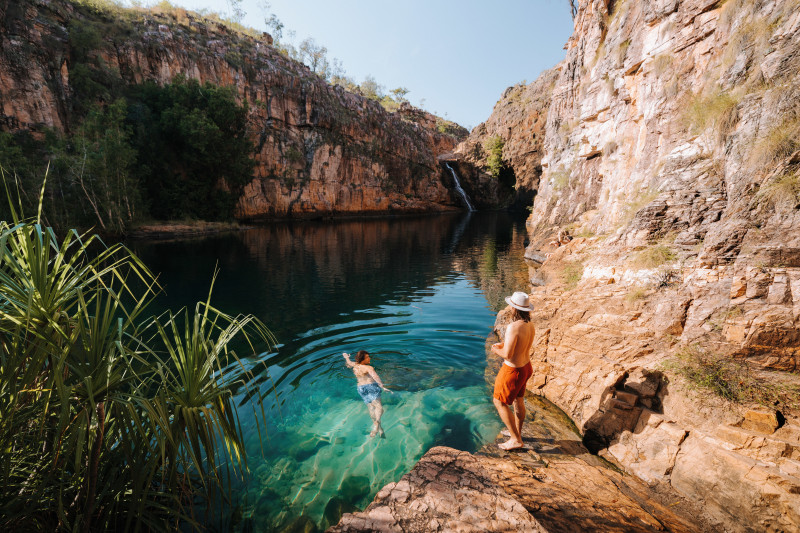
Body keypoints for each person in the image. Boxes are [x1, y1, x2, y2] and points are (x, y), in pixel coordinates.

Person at [491, 291, 536, 450]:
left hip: (513, 371)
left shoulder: (513, 327)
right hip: (526, 367)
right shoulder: (529, 324)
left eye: (511, 306)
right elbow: (519, 345)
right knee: (518, 400)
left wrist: (495, 349)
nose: (510, 308)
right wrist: (502, 345)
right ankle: (517, 433)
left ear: (514, 309)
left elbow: (508, 355)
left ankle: (516, 440)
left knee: (499, 402)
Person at [343, 350, 392, 437]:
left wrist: (346, 357)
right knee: (379, 408)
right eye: (367, 357)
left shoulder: (355, 365)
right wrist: (383, 387)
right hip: (371, 387)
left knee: (371, 407)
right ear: (362, 359)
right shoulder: (369, 368)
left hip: (361, 389)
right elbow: (376, 377)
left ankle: (379, 428)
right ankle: (377, 424)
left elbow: (349, 362)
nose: (369, 358)